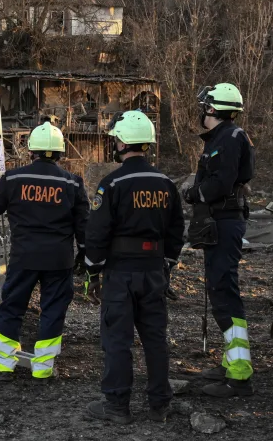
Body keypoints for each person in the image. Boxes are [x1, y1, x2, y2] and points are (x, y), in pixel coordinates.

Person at [83, 111, 184, 424]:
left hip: (120, 272)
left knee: (117, 339)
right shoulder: (166, 183)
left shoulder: (112, 184)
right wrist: (166, 264)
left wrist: (92, 268)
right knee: (155, 338)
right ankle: (160, 405)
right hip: (154, 269)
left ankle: (116, 406)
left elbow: (98, 232)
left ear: (122, 142)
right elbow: (176, 230)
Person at [0, 121, 89, 382]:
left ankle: (5, 367)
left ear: (31, 151)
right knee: (52, 311)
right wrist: (85, 256)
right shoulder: (73, 183)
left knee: (12, 307)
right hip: (59, 260)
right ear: (60, 153)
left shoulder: (14, 178)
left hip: (23, 257)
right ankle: (43, 370)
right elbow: (84, 227)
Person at [183, 83, 256, 397]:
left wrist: (193, 193)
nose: (202, 110)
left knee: (222, 289)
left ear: (213, 109)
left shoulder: (228, 139)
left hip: (224, 221)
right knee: (222, 287)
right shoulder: (225, 137)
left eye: (205, 106)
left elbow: (220, 183)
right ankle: (232, 360)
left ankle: (240, 374)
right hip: (221, 221)